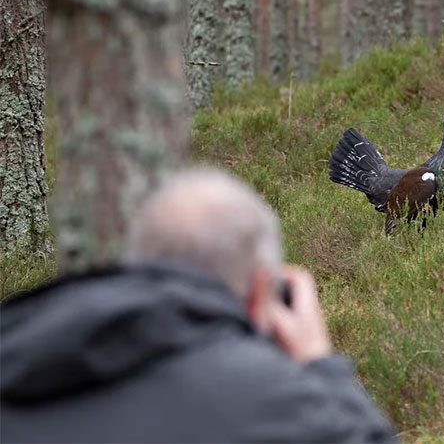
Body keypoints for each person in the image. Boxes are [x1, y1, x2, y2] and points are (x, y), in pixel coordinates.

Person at [0, 168, 396, 443]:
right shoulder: (272, 401)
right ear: (264, 290)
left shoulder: (16, 352)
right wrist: (320, 364)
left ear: (136, 260)